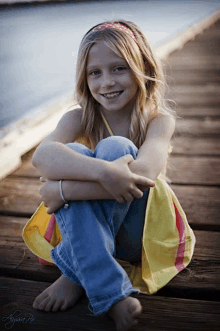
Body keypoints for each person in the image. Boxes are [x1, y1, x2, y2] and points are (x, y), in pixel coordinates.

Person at [28, 20, 195, 331]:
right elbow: (42, 157)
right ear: (84, 77)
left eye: (119, 68)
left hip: (138, 233)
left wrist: (64, 191)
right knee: (76, 153)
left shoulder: (159, 121)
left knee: (116, 146)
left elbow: (143, 175)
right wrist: (104, 171)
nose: (106, 82)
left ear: (141, 67)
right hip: (90, 225)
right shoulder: (77, 117)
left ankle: (74, 272)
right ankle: (110, 293)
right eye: (96, 72)